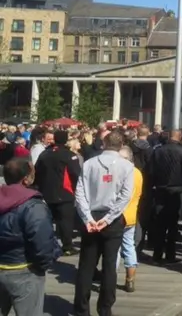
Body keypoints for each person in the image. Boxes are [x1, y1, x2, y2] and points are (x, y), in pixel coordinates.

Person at [74, 131, 134, 316]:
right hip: (112, 218)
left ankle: (81, 309)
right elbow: (125, 196)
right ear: (121, 144)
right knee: (109, 265)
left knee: (86, 265)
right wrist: (108, 218)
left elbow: (80, 193)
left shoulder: (90, 163)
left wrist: (88, 218)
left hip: (93, 214)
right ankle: (105, 308)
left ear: (104, 142)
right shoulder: (127, 166)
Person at [0, 157, 60, 316]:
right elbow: (42, 244)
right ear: (26, 179)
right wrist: (43, 265)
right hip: (24, 270)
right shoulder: (33, 205)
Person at [34, 130, 82, 256]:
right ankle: (67, 246)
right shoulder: (69, 155)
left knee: (48, 221)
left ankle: (47, 245)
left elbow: (37, 171)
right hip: (65, 192)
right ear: (66, 140)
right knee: (66, 221)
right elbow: (76, 174)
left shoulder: (45, 153)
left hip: (46, 192)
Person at [149, 129, 182, 263]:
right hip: (176, 191)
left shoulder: (158, 151)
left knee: (160, 224)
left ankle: (157, 254)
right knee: (172, 224)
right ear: (179, 137)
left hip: (160, 189)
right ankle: (170, 255)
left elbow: (151, 170)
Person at [116, 146, 143, 293]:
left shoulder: (121, 172)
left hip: (117, 214)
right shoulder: (138, 173)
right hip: (131, 215)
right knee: (129, 246)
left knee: (114, 248)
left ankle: (111, 277)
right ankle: (130, 280)